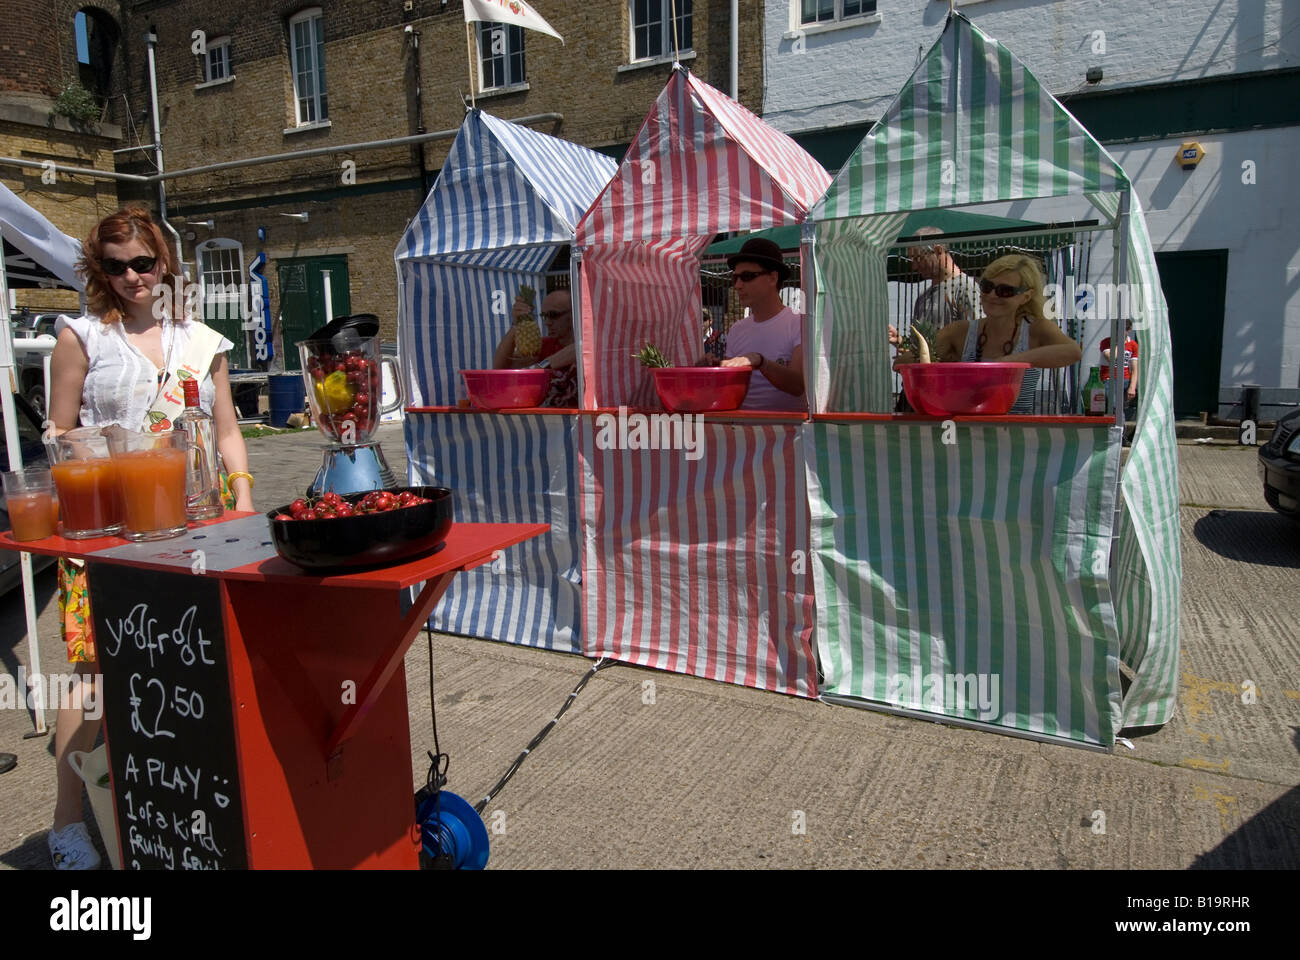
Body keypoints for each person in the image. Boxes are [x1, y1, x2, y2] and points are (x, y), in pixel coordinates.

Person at [44, 205, 255, 869]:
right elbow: (56, 431)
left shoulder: (202, 341)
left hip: (197, 523)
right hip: (111, 525)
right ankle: (67, 823)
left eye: (143, 262)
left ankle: (179, 805)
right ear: (98, 271)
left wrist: (244, 495)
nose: (133, 276)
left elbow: (225, 428)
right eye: (116, 266)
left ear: (163, 263)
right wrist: (98, 446)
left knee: (190, 664)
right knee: (92, 675)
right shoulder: (80, 336)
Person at [898, 253, 1081, 414]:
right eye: (987, 286)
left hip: (1016, 433)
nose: (993, 295)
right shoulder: (960, 331)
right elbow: (902, 363)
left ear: (1026, 296)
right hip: (968, 430)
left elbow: (1073, 352)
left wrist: (1009, 362)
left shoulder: (1036, 328)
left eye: (1005, 291)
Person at [888, 228, 983, 411]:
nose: (914, 266)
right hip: (916, 393)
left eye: (918, 258)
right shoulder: (923, 297)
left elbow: (974, 348)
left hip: (947, 396)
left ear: (938, 250)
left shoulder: (966, 290)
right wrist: (900, 341)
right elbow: (922, 350)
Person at [715, 237, 806, 412]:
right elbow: (728, 388)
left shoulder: (798, 324)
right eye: (735, 278)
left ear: (773, 278)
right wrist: (711, 368)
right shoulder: (737, 329)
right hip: (741, 433)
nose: (738, 285)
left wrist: (760, 361)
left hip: (788, 436)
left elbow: (798, 385)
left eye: (747, 277)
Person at [491, 288, 577, 407]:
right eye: (544, 315)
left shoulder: (590, 342)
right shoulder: (546, 345)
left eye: (553, 315)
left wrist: (541, 366)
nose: (547, 322)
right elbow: (501, 366)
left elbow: (577, 349)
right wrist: (516, 325)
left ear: (574, 314)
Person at [1100, 319, 1139, 418]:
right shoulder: (1106, 342)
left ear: (1129, 330)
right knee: (1115, 405)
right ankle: (1120, 427)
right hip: (1109, 378)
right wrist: (1118, 343)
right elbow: (1111, 358)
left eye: (1124, 329)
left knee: (1120, 406)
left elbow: (1135, 369)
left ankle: (1120, 426)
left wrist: (1132, 387)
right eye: (1118, 329)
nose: (1120, 332)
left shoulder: (1133, 345)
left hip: (1125, 379)